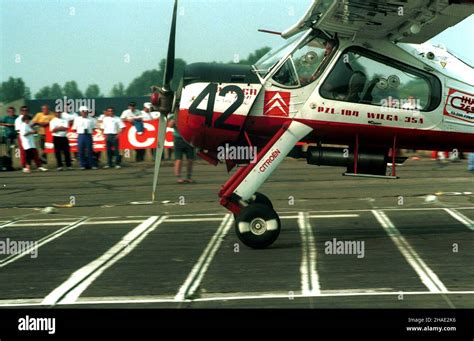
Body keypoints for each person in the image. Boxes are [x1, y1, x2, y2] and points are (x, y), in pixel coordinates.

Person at [168, 113, 195, 183]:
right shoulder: (174, 115)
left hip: (189, 139)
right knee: (178, 159)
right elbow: (170, 125)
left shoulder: (191, 114)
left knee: (190, 159)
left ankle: (189, 177)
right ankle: (178, 177)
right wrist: (175, 119)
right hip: (178, 139)